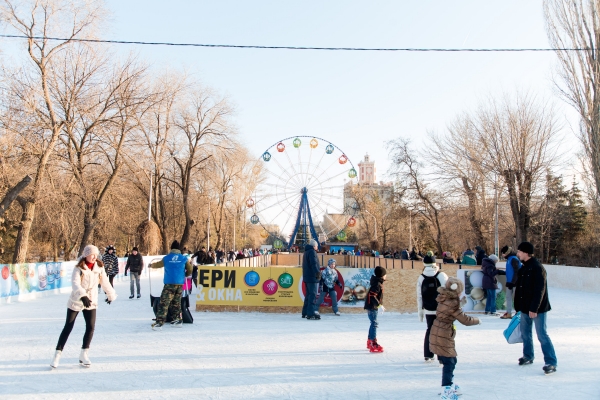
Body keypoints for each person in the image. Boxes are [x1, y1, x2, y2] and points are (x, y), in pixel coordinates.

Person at [50, 245, 117, 369]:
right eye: (92, 255)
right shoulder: (79, 267)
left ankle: (84, 354)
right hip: (77, 299)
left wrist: (110, 294)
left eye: (96, 255)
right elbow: (75, 284)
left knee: (90, 327)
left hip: (91, 300)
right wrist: (83, 295)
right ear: (86, 255)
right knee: (68, 327)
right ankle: (57, 355)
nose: (94, 257)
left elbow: (105, 282)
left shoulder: (99, 267)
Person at [429, 277, 480, 400]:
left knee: (449, 360)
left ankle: (449, 384)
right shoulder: (452, 303)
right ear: (457, 291)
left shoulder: (444, 297)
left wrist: (460, 303)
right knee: (450, 362)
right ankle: (446, 388)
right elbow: (465, 320)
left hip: (437, 331)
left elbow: (449, 309)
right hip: (444, 334)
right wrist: (478, 320)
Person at [514, 241, 557, 375]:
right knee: (525, 334)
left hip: (538, 309)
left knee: (542, 335)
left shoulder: (537, 268)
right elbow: (520, 289)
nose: (518, 253)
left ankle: (551, 362)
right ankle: (528, 355)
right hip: (525, 308)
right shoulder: (523, 267)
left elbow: (540, 290)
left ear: (526, 253)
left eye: (520, 251)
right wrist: (518, 307)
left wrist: (534, 308)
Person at [149, 240, 193, 330]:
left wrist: (151, 265)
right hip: (180, 284)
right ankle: (177, 320)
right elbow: (190, 269)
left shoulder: (167, 258)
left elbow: (158, 264)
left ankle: (159, 323)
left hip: (169, 284)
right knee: (176, 303)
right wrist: (185, 275)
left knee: (164, 303)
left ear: (171, 248)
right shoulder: (183, 258)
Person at [416, 253, 448, 362]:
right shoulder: (441, 275)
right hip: (441, 308)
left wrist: (420, 311)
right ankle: (441, 356)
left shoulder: (421, 277)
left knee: (430, 330)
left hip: (428, 309)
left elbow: (419, 295)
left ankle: (428, 354)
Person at [365, 266, 386, 353]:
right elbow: (372, 296)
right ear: (382, 276)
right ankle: (372, 342)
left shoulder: (377, 283)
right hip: (372, 306)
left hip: (372, 306)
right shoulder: (377, 284)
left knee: (373, 323)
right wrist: (378, 305)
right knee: (374, 323)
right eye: (385, 274)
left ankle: (370, 341)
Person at [302, 239, 321, 320]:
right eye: (316, 246)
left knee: (308, 295)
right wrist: (317, 272)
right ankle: (311, 313)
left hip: (307, 276)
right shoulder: (312, 252)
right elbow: (313, 263)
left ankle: (305, 312)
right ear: (314, 246)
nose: (317, 247)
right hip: (312, 276)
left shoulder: (306, 252)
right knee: (312, 295)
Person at [500, 245, 521, 319]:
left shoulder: (513, 259)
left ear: (507, 252)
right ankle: (509, 312)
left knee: (516, 298)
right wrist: (500, 272)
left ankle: (518, 312)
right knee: (508, 297)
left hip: (515, 283)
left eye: (503, 253)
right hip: (509, 282)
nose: (502, 255)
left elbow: (517, 271)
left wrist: (513, 282)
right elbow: (509, 271)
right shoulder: (509, 259)